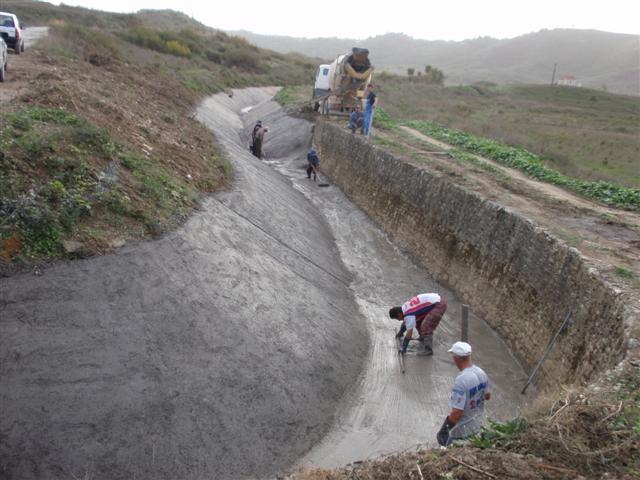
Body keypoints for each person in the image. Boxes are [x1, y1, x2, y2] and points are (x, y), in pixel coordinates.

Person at [437, 342, 491, 446]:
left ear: (456, 359)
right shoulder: (481, 372)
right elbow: (487, 396)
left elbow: (457, 413)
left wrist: (444, 429)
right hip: (478, 426)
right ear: (469, 356)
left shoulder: (461, 381)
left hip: (462, 432)